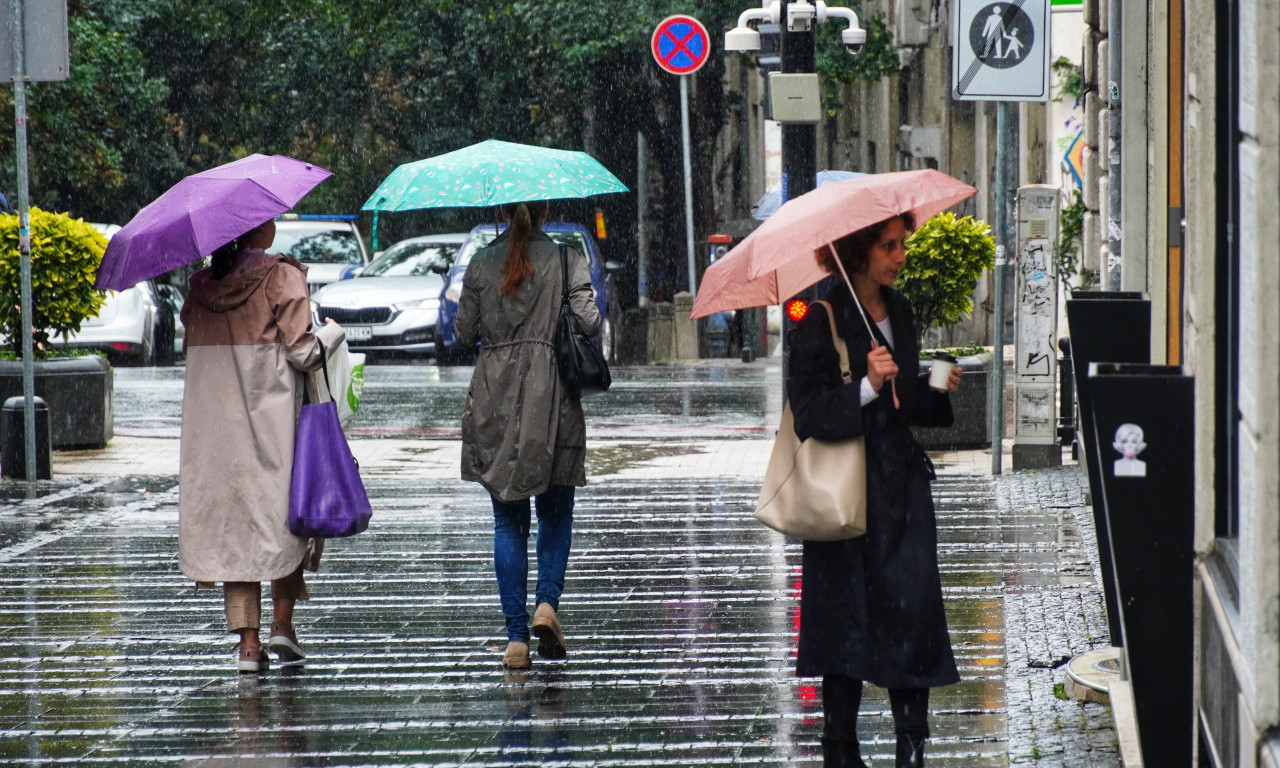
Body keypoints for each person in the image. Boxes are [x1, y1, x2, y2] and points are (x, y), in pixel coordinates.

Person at [787, 213, 963, 768]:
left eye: (901, 243)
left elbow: (903, 406)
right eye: (889, 246)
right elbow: (808, 414)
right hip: (846, 492)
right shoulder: (821, 320)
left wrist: (932, 387)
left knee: (913, 612)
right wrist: (865, 385)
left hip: (900, 488)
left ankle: (911, 745)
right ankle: (840, 748)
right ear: (857, 252)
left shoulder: (900, 311)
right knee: (846, 620)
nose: (900, 255)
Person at [178, 217, 345, 673]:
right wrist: (332, 333)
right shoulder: (280, 276)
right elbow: (303, 352)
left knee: (235, 529)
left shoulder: (201, 289)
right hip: (274, 425)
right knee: (284, 518)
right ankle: (282, 625)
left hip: (216, 433)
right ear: (259, 231)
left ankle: (248, 647)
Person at [456, 200, 600, 670]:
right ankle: (547, 604)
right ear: (545, 211)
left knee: (507, 521)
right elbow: (588, 322)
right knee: (556, 511)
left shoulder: (480, 262)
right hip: (552, 394)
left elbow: (463, 334)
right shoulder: (565, 258)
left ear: (499, 212)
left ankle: (516, 639)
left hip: (494, 396)